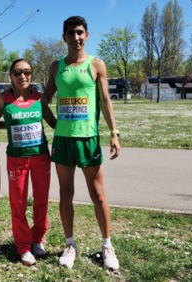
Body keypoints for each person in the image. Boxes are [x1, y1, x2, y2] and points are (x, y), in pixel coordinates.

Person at [44, 16, 121, 270]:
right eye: (70, 33)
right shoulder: (56, 67)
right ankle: (69, 244)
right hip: (63, 140)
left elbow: (106, 100)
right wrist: (55, 123)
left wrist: (114, 133)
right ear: (63, 37)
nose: (75, 37)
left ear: (87, 35)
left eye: (79, 32)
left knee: (98, 194)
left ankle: (107, 245)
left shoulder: (96, 65)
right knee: (66, 193)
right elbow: (44, 99)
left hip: (88, 138)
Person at [0, 59, 56, 266]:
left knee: (41, 200)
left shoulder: (39, 98)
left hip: (40, 157)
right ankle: (23, 246)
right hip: (16, 159)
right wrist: (10, 125)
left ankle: (38, 239)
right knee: (18, 203)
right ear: (10, 76)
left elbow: (53, 123)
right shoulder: (4, 100)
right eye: (17, 72)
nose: (22, 76)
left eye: (27, 72)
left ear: (31, 74)